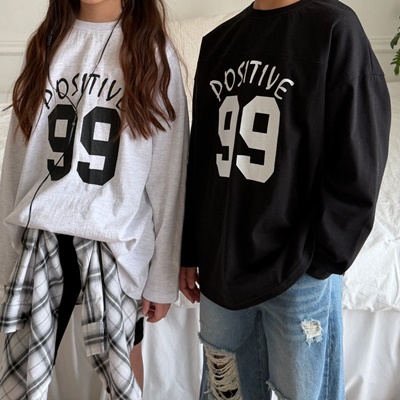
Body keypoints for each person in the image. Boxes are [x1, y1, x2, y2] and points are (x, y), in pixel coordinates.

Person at [179, 0, 391, 399]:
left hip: (298, 272)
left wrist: (319, 259)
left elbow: (359, 156)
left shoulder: (335, 29)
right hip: (221, 271)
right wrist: (190, 248)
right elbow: (201, 159)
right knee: (226, 392)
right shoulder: (218, 42)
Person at [0, 0, 188, 399]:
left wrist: (161, 279)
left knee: (124, 367)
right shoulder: (47, 43)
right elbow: (16, 162)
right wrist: (5, 260)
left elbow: (168, 177)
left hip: (114, 243)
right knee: (24, 370)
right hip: (42, 236)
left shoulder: (152, 52)